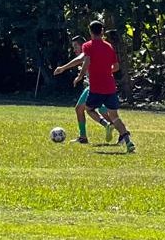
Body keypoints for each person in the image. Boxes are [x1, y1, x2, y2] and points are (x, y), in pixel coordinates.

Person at [54, 21, 136, 153]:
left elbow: (86, 62)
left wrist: (80, 76)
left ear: (90, 32)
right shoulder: (109, 46)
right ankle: (128, 142)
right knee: (115, 116)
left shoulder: (88, 46)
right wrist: (105, 70)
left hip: (96, 87)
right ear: (102, 31)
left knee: (88, 109)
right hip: (110, 87)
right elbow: (116, 67)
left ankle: (104, 125)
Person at [69, 34, 113, 144]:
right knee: (100, 110)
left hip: (94, 86)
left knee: (83, 109)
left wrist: (63, 68)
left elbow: (78, 60)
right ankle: (122, 133)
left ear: (82, 45)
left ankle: (117, 130)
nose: (74, 49)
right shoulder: (90, 52)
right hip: (95, 86)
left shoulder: (86, 52)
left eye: (76, 46)